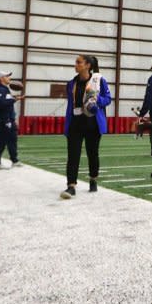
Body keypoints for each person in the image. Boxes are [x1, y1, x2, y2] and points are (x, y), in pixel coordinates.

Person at [60, 55, 112, 199]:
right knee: (73, 154)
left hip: (93, 123)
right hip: (76, 123)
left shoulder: (99, 80)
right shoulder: (71, 83)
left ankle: (93, 179)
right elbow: (71, 105)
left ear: (87, 65)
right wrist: (67, 125)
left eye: (79, 62)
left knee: (92, 153)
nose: (75, 65)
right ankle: (71, 186)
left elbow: (108, 99)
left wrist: (96, 99)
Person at [0, 71, 23, 170]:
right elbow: (0, 104)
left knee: (12, 139)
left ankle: (14, 160)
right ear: (1, 79)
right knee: (1, 141)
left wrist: (13, 98)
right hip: (3, 119)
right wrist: (14, 100)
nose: (9, 77)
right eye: (7, 76)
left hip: (8, 118)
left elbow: (6, 102)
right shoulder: (0, 90)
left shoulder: (5, 89)